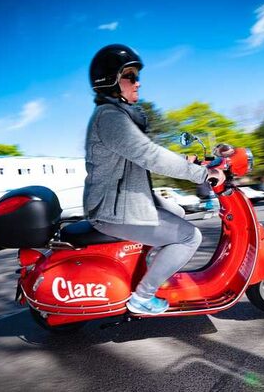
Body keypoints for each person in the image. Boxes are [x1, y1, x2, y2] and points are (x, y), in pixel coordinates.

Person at [83, 44, 225, 315]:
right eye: (130, 76)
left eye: (137, 76)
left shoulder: (117, 116)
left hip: (123, 199)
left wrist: (188, 164)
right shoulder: (109, 117)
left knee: (178, 210)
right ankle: (142, 297)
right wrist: (202, 174)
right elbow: (149, 155)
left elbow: (143, 158)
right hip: (112, 209)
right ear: (110, 80)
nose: (138, 83)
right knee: (189, 237)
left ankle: (152, 262)